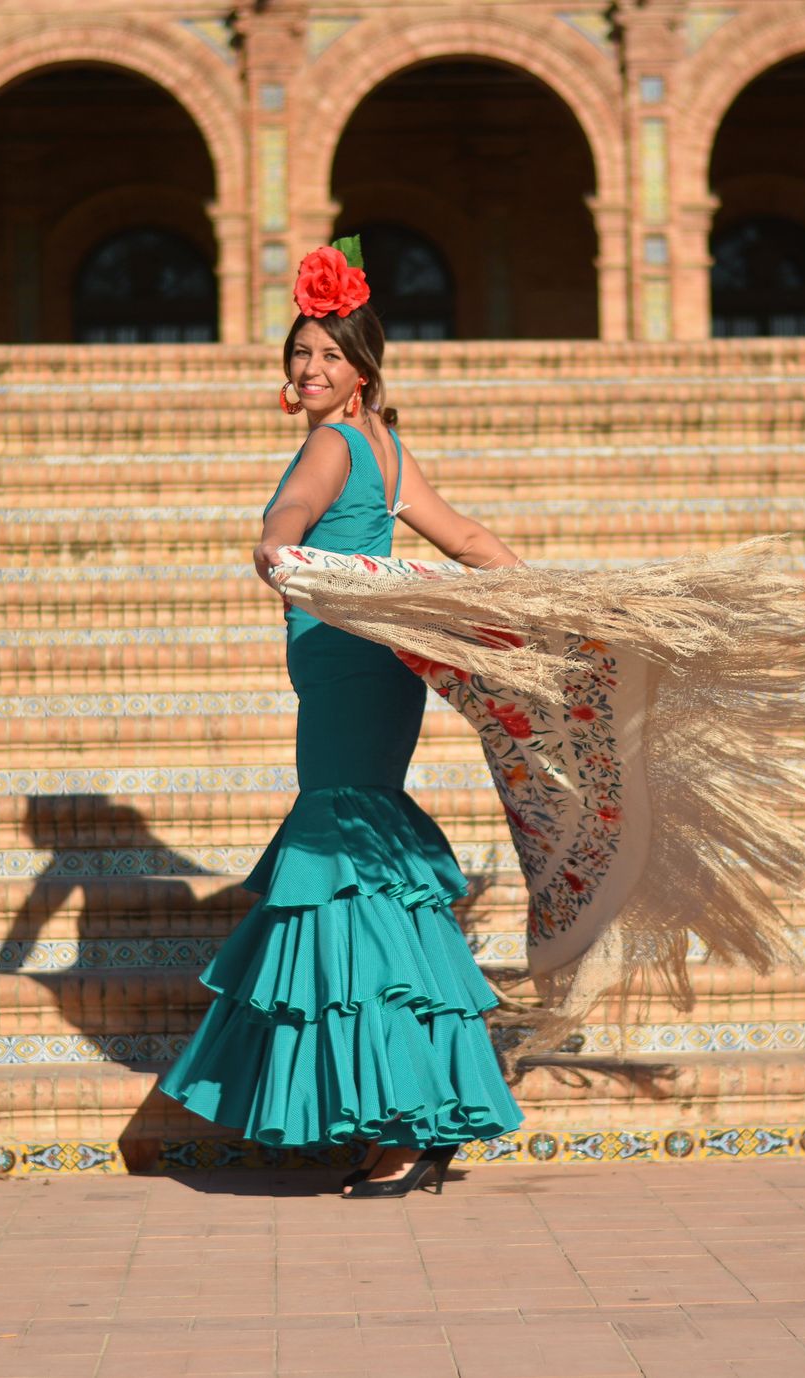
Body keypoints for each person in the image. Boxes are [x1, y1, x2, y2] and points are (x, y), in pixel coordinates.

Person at [156, 239, 525, 1197]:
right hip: (365, 666)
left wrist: (278, 553)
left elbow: (285, 526)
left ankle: (398, 1112)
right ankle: (412, 1108)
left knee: (344, 862)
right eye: (300, 354)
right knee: (368, 866)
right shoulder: (390, 448)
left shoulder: (332, 443)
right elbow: (470, 538)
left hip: (347, 658)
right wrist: (535, 590)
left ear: (362, 369)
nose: (310, 369)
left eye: (329, 355)